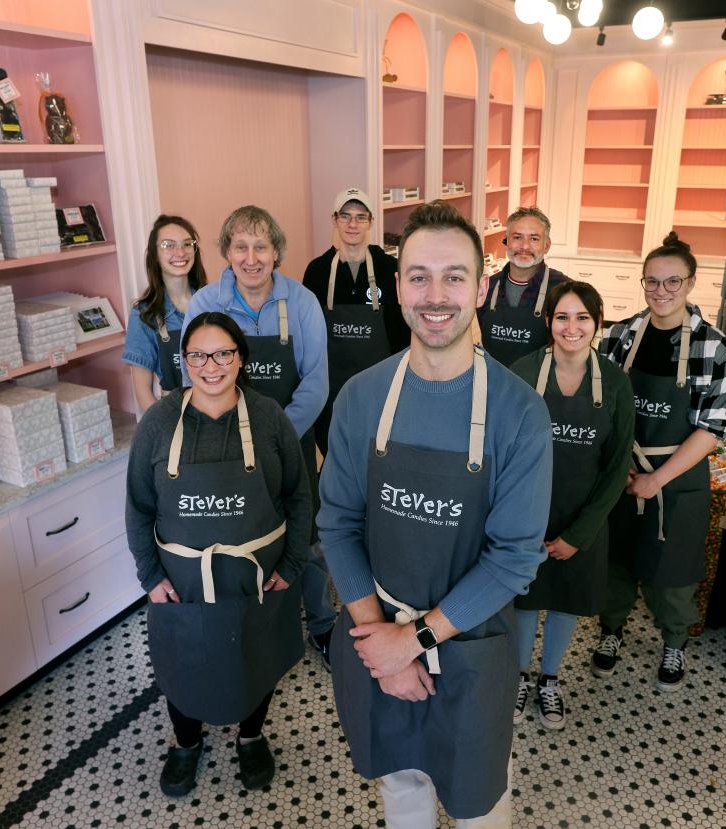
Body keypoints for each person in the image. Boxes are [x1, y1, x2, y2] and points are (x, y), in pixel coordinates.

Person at [318, 200, 552, 827]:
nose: (435, 294)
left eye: (454, 276)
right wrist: (378, 643)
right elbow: (337, 524)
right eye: (418, 275)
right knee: (403, 788)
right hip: (379, 637)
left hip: (474, 650)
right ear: (397, 287)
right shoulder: (362, 398)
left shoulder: (519, 412)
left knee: (480, 803)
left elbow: (513, 560)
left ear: (481, 286)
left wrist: (413, 642)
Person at [125, 311, 311, 797]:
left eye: (223, 353)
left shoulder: (269, 417)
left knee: (256, 657)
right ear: (183, 362)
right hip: (183, 582)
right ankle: (186, 744)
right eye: (198, 355)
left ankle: (251, 738)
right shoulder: (159, 422)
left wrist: (291, 565)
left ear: (240, 358)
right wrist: (149, 575)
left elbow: (299, 496)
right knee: (184, 664)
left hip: (256, 578)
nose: (211, 365)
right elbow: (138, 505)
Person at [184, 206, 335, 665]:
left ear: (276, 253)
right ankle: (256, 628)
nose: (251, 258)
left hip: (292, 442)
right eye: (241, 246)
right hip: (226, 449)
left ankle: (323, 623)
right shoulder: (205, 304)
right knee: (243, 536)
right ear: (227, 252)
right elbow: (194, 373)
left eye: (261, 246)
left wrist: (277, 436)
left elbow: (316, 381)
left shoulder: (302, 302)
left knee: (306, 539)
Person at [596, 232, 726, 691]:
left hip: (677, 477)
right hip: (621, 471)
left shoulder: (714, 348)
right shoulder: (619, 336)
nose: (661, 292)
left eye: (672, 282)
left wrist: (657, 479)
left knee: (671, 568)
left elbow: (712, 429)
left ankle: (674, 639)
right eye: (652, 283)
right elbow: (600, 405)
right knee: (616, 559)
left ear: (691, 283)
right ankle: (611, 631)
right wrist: (620, 470)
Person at [508, 281, 634, 730]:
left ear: (598, 325)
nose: (572, 327)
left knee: (564, 600)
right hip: (525, 515)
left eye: (583, 318)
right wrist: (516, 525)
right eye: (562, 316)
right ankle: (519, 676)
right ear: (548, 322)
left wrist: (579, 535)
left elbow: (617, 467)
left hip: (584, 519)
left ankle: (550, 680)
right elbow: (501, 452)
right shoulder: (522, 373)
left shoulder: (616, 384)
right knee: (524, 598)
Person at [302, 187, 408, 456]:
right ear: (334, 220)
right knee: (335, 454)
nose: (352, 224)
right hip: (330, 391)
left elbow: (402, 332)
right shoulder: (317, 271)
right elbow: (308, 336)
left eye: (361, 217)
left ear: (371, 222)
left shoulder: (389, 268)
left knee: (376, 455)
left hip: (379, 388)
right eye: (345, 216)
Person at [122, 215, 206, 412]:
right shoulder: (144, 315)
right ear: (154, 255)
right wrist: (165, 433)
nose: (180, 252)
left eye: (187, 244)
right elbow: (143, 392)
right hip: (176, 417)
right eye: (168, 245)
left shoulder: (212, 302)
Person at [476, 207, 568, 367]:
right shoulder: (486, 287)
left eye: (534, 239)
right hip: (492, 384)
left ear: (546, 245)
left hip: (538, 388)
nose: (525, 246)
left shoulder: (564, 290)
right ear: (506, 241)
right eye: (517, 237)